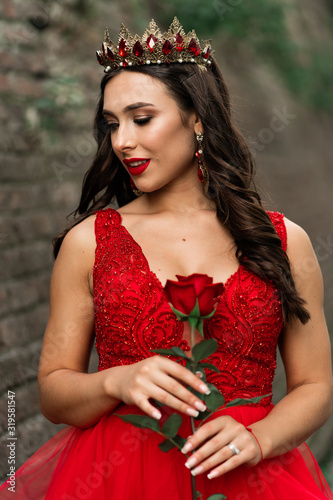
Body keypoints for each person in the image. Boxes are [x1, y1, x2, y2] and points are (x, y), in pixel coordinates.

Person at [0, 17, 332, 500]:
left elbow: (315, 386)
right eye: (112, 125)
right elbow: (53, 392)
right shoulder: (90, 242)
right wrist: (117, 379)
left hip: (250, 475)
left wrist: (260, 438)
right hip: (119, 476)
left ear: (197, 118)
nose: (121, 142)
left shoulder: (281, 241)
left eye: (141, 118)